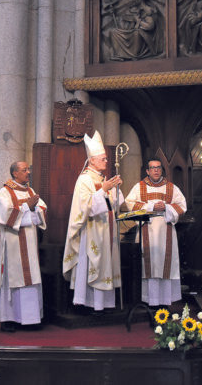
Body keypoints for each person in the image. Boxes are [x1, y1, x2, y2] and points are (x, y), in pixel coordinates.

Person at [62, 130, 124, 311]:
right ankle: (88, 304)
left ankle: (104, 304)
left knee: (105, 265)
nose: (107, 161)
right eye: (103, 158)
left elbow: (114, 204)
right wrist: (103, 190)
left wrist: (115, 190)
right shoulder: (84, 180)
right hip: (91, 232)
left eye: (106, 158)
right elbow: (84, 208)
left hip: (106, 231)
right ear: (92, 160)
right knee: (91, 264)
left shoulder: (103, 179)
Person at [125, 159, 187, 307]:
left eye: (158, 167)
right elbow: (130, 203)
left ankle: (165, 301)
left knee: (165, 265)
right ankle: (150, 301)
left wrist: (165, 207)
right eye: (152, 168)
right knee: (150, 265)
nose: (156, 170)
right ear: (147, 171)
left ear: (161, 170)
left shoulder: (171, 188)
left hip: (166, 231)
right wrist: (152, 206)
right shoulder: (139, 187)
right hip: (147, 229)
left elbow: (182, 206)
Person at [0, 160, 47, 332]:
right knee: (14, 279)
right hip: (13, 243)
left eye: (28, 169)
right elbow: (5, 216)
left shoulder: (30, 191)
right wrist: (27, 206)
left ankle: (31, 319)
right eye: (24, 170)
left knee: (30, 278)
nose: (28, 173)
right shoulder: (4, 192)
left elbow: (41, 211)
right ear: (15, 173)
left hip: (30, 243)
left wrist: (34, 209)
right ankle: (9, 318)